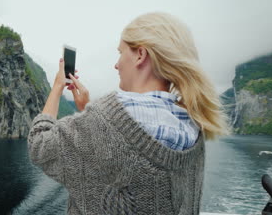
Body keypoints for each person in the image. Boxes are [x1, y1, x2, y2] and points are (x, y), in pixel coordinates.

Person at [27, 12, 231, 214]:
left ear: (140, 55)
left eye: (121, 52)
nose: (116, 64)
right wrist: (89, 112)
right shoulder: (193, 124)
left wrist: (57, 88)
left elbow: (39, 145)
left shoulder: (103, 117)